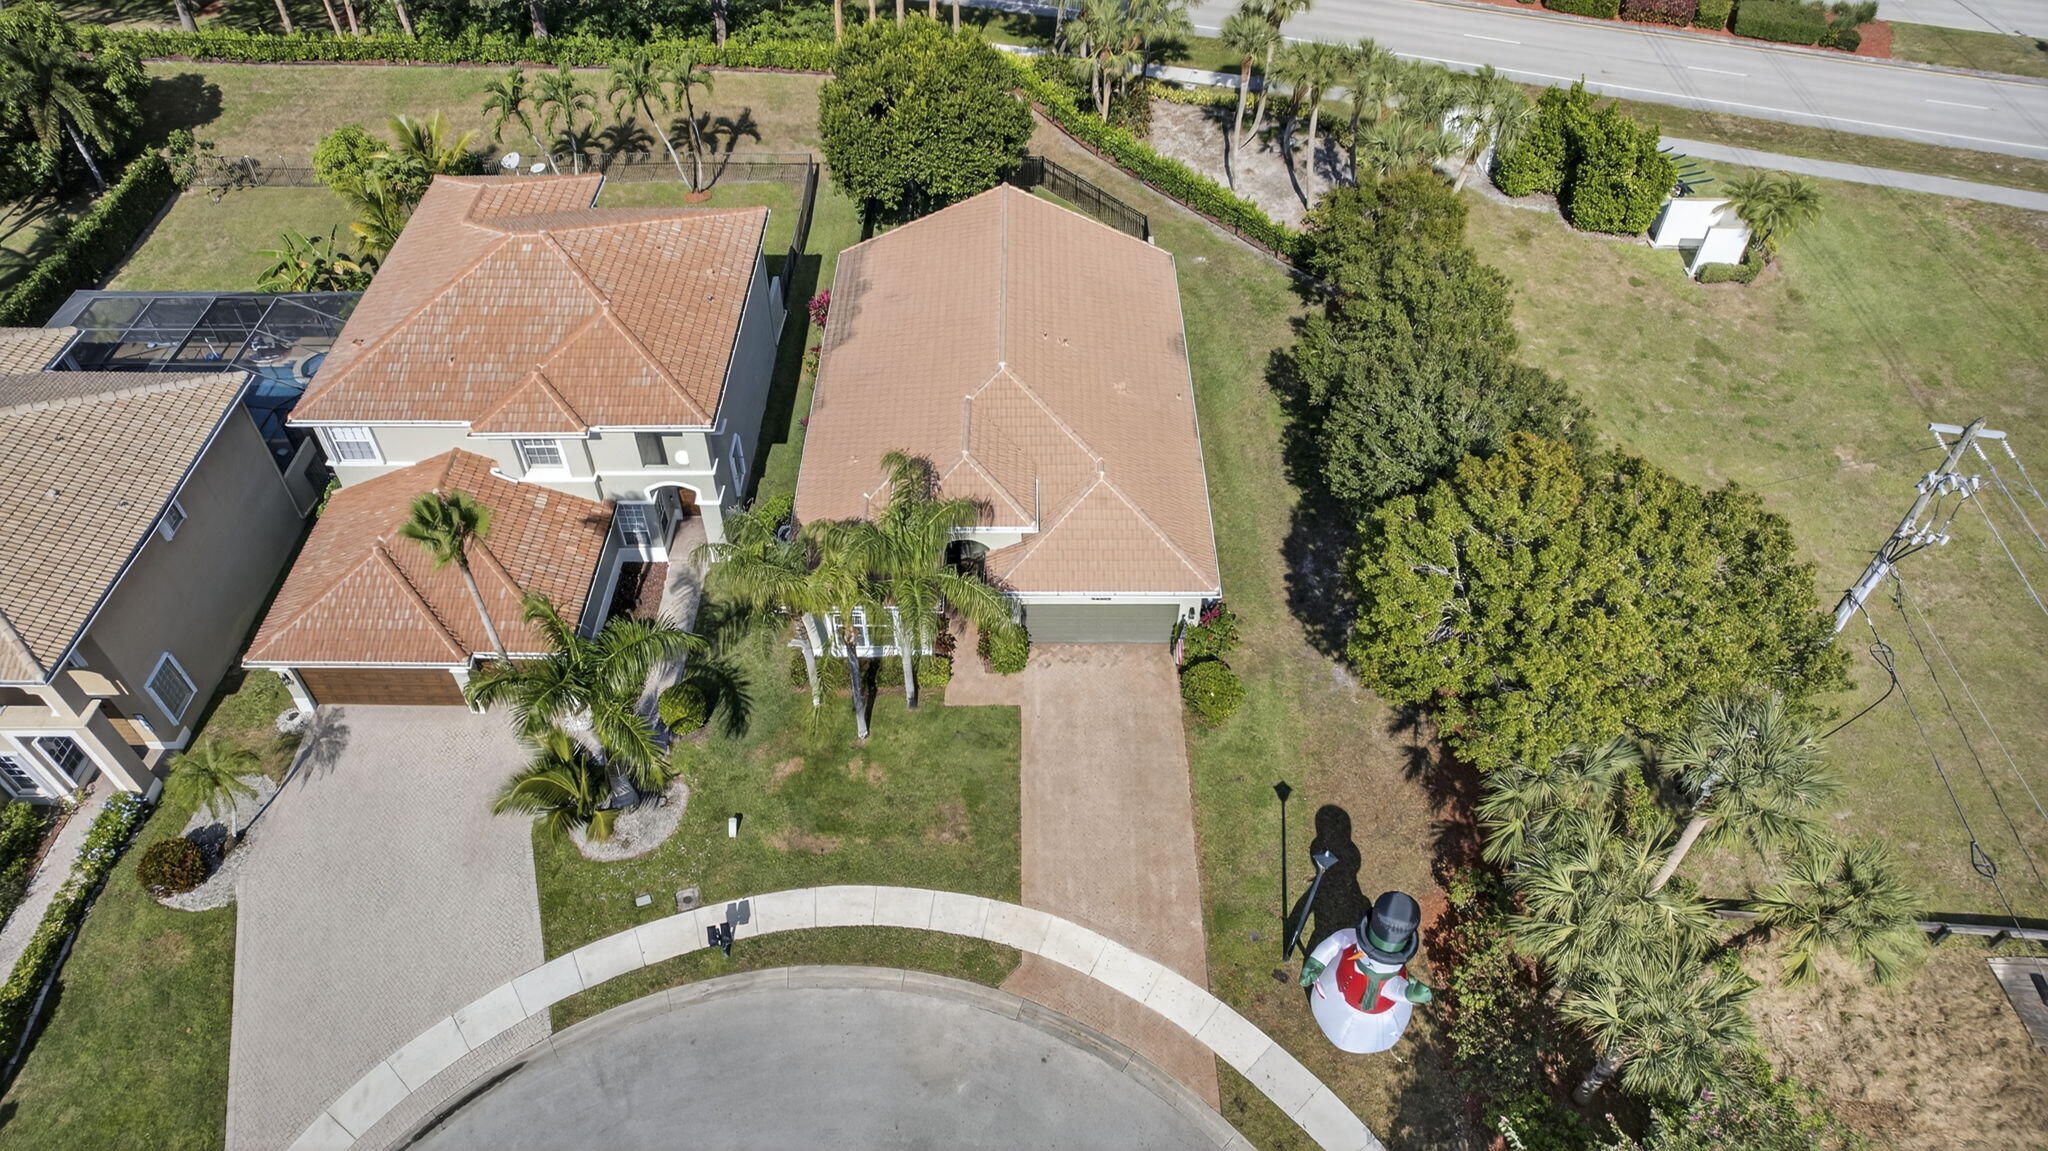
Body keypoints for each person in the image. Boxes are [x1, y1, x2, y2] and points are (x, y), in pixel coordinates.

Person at [1298, 890, 1432, 1053]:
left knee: (1349, 1035)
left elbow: (1397, 990)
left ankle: (1348, 1039)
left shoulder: (1390, 981)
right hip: (1337, 988)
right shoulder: (1352, 941)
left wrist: (1410, 993)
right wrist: (1316, 963)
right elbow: (1336, 942)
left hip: (1367, 1022)